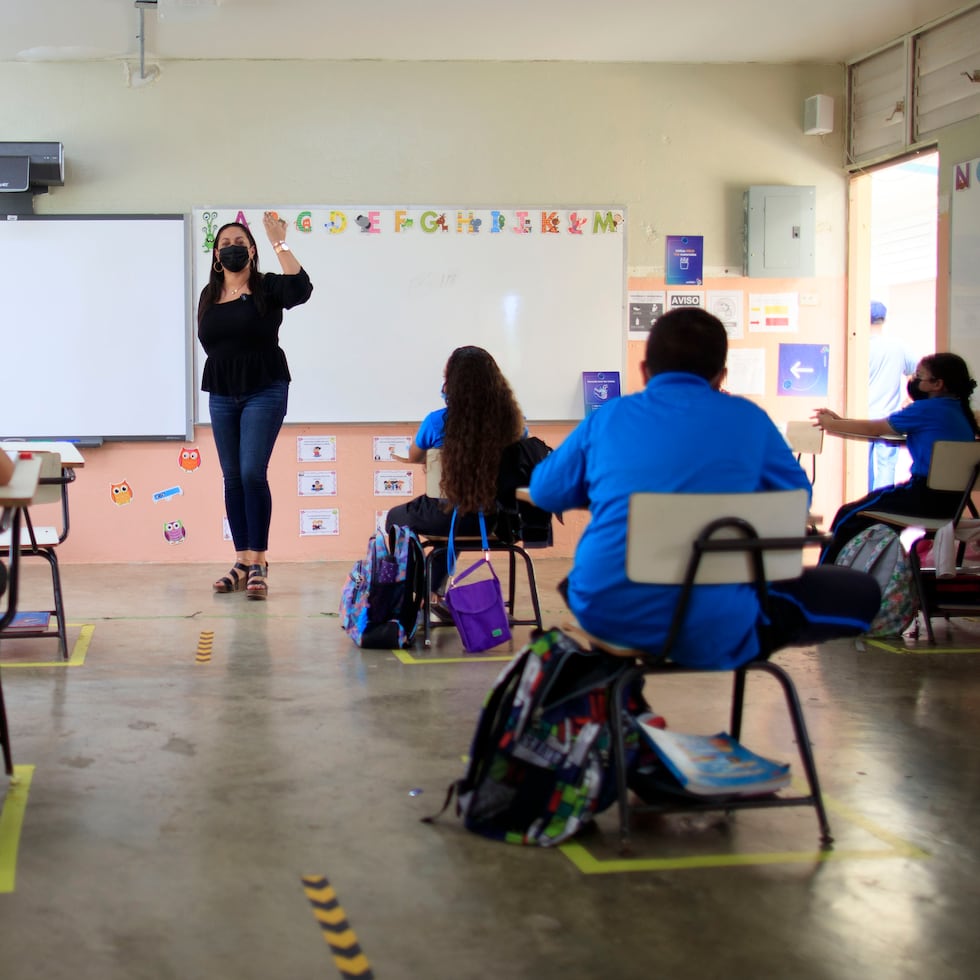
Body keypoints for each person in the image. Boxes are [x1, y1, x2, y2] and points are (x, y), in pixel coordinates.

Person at [528, 307, 881, 669]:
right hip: (719, 626)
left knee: (589, 578)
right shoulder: (749, 420)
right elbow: (796, 501)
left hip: (609, 613)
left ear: (645, 371)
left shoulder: (608, 417)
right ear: (721, 376)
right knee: (861, 591)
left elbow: (544, 492)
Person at [198, 212, 314, 600]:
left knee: (251, 473)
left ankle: (260, 562)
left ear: (252, 251)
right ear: (216, 255)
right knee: (231, 477)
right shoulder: (209, 295)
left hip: (264, 388)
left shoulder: (267, 288)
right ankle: (242, 561)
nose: (232, 249)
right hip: (223, 392)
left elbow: (301, 288)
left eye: (240, 244)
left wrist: (279, 241)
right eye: (225, 244)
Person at [814, 351, 980, 564]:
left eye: (919, 376)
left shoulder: (925, 409)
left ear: (938, 384)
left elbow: (876, 428)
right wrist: (841, 421)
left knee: (848, 515)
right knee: (866, 514)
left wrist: (831, 424)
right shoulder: (958, 411)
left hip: (923, 497)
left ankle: (825, 575)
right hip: (952, 504)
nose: (913, 381)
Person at [386, 345, 525, 593]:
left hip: (448, 516)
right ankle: (433, 588)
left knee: (396, 518)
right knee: (459, 516)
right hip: (499, 520)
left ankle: (415, 592)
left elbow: (415, 456)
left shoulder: (437, 421)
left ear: (453, 384)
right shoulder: (515, 425)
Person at [867, 301, 917, 490]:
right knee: (887, 465)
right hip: (890, 418)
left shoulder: (858, 348)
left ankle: (865, 507)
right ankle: (881, 506)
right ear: (884, 320)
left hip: (861, 419)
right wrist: (909, 399)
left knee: (862, 468)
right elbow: (917, 374)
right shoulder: (898, 346)